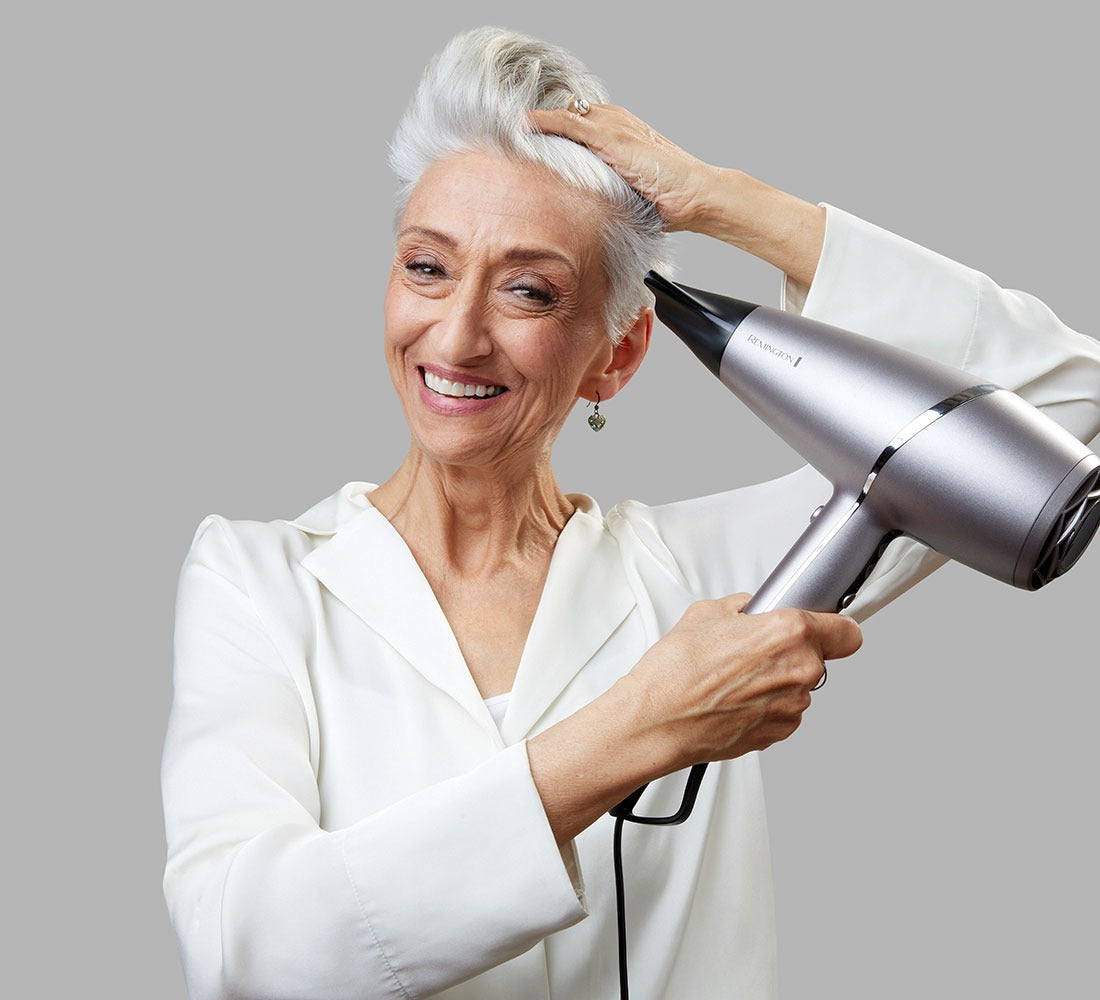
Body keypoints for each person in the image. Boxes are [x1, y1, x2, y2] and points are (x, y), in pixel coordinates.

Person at [161, 27, 1100, 1000]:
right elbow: (250, 955)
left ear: (617, 352)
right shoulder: (256, 581)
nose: (456, 332)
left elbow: (1052, 406)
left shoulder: (700, 580)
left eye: (528, 289)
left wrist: (723, 200)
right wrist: (638, 728)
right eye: (426, 268)